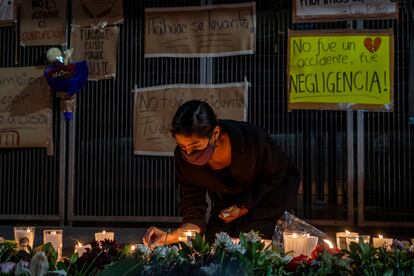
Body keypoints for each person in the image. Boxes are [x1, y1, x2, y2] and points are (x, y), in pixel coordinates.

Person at [143, 100, 300, 248]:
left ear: (215, 133)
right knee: (215, 243)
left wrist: (244, 207)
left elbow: (276, 173)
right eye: (182, 147)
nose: (189, 153)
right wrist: (171, 236)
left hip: (267, 199)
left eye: (195, 146)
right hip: (227, 208)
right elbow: (193, 204)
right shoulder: (184, 159)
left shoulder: (251, 139)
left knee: (250, 243)